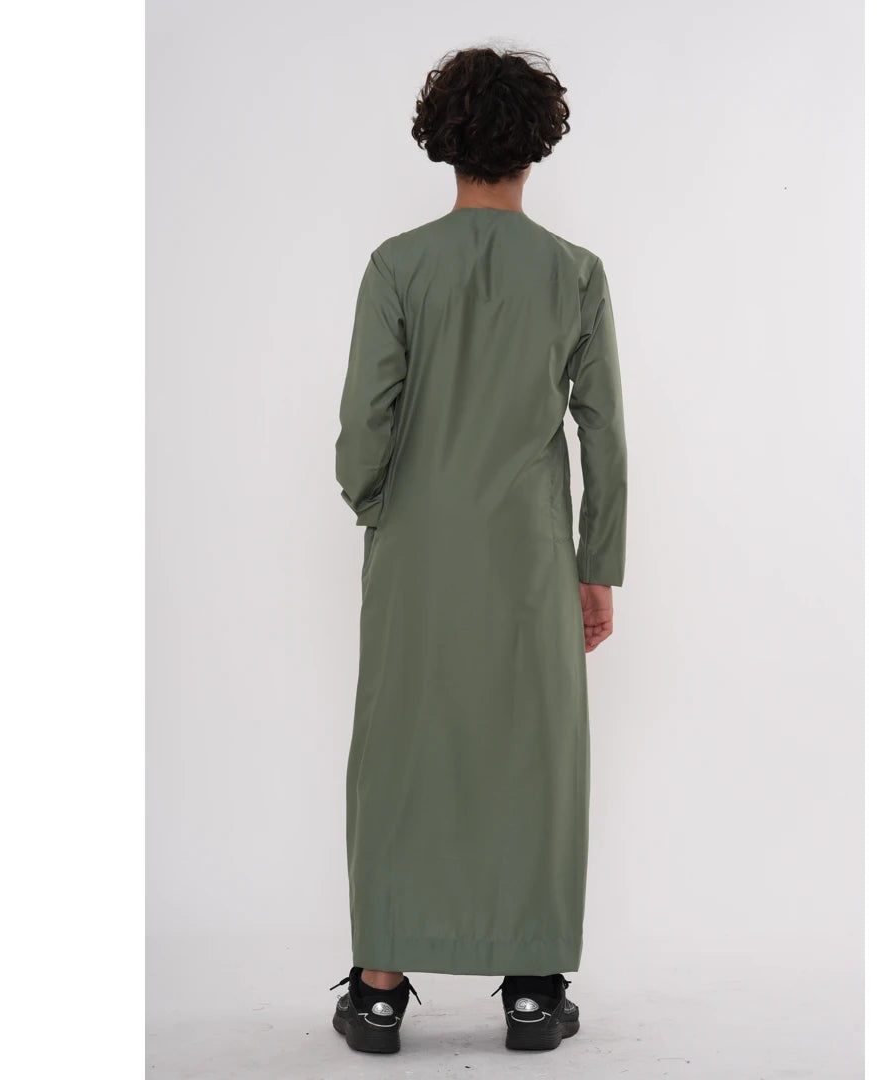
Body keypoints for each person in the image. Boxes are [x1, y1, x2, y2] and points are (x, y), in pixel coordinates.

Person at [330, 45, 628, 1054]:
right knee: (536, 752)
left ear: (443, 139)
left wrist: (377, 504)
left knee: (399, 746)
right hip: (531, 556)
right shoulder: (575, 273)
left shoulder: (397, 266)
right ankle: (533, 990)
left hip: (414, 549)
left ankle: (379, 988)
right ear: (537, 145)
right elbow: (603, 433)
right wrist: (597, 564)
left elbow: (365, 425)